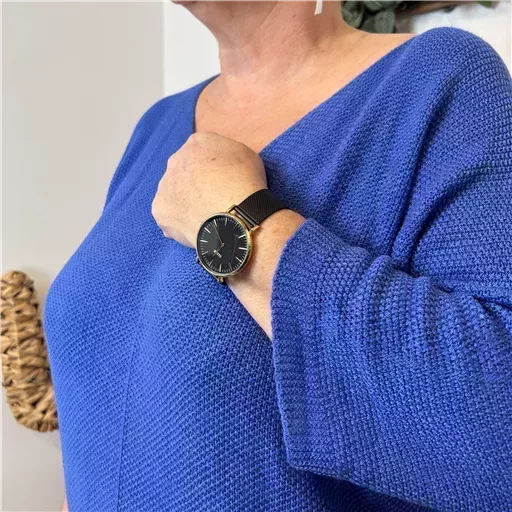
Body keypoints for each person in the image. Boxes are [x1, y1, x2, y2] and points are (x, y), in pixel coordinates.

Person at [44, 0, 512, 511]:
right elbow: (99, 418)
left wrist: (238, 221)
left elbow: (496, 429)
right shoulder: (155, 127)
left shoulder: (440, 80)